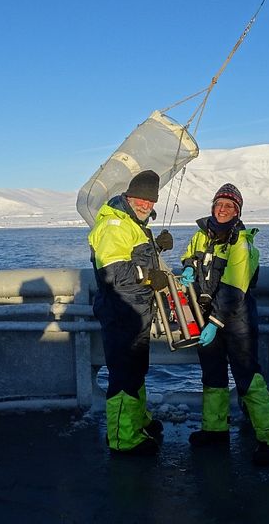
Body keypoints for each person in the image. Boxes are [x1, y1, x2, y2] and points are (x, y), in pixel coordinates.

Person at [180, 183, 269, 466]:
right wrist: (188, 266)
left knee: (248, 377)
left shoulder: (241, 242)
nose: (223, 210)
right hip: (205, 317)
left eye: (230, 206)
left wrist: (215, 321)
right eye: (219, 204)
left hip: (236, 319)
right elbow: (189, 253)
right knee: (212, 375)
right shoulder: (201, 235)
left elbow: (234, 289)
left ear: (237, 211)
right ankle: (215, 430)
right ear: (212, 207)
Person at [88, 170, 173, 456]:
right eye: (140, 199)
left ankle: (138, 422)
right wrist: (151, 276)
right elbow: (113, 273)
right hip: (120, 310)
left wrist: (155, 245)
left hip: (135, 310)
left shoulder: (132, 223)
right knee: (124, 374)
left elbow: (131, 255)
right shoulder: (115, 224)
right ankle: (124, 439)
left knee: (136, 370)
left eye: (150, 202)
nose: (145, 206)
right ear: (128, 196)